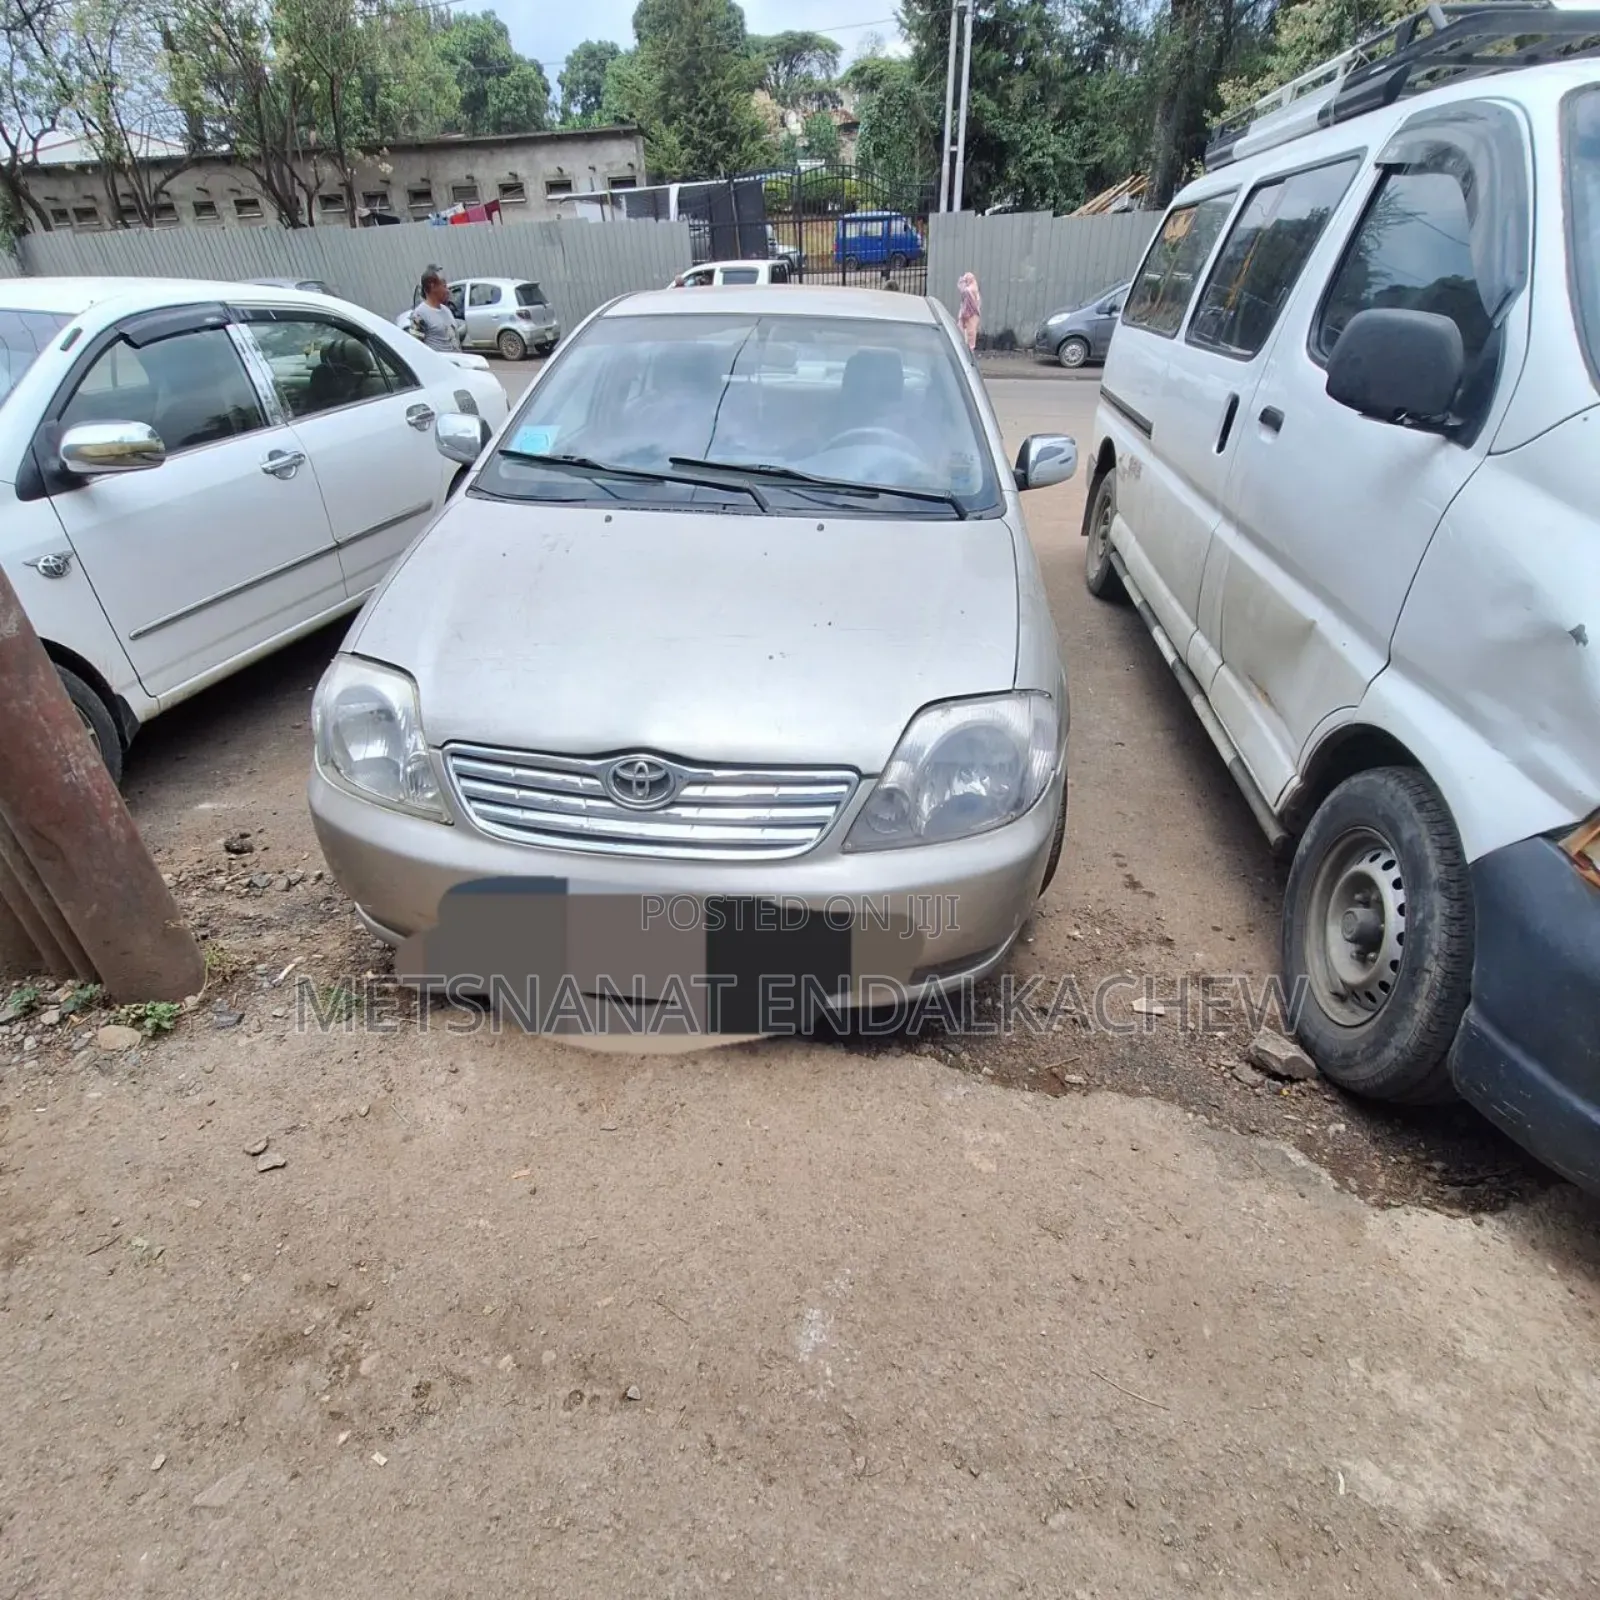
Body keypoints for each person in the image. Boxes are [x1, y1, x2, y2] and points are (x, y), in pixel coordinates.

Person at [408, 268, 460, 352]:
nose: (447, 290)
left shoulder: (447, 310)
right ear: (432, 286)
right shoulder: (420, 315)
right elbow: (415, 348)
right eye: (444, 286)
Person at [957, 271, 981, 352]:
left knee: (963, 331)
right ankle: (971, 349)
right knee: (972, 332)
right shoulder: (975, 288)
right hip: (975, 314)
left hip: (968, 313)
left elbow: (967, 303)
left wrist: (964, 314)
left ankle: (964, 349)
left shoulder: (968, 290)